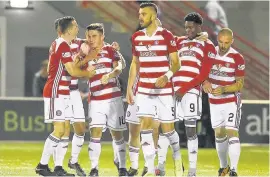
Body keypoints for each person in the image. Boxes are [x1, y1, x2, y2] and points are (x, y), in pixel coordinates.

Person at [127, 2, 183, 176]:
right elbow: (135, 63)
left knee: (168, 130)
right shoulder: (137, 37)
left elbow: (176, 63)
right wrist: (130, 88)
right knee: (145, 127)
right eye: (139, 14)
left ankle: (177, 159)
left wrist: (166, 76)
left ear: (153, 16)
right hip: (144, 90)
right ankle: (151, 169)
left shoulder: (167, 36)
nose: (140, 17)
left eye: (143, 14)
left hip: (164, 91)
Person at [35, 16, 96, 177]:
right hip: (56, 92)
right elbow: (73, 71)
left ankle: (58, 168)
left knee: (64, 130)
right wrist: (89, 73)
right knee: (60, 130)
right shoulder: (62, 45)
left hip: (62, 92)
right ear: (69, 30)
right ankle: (42, 166)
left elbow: (51, 68)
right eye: (75, 26)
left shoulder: (61, 44)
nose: (77, 28)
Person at [85, 23, 128, 177]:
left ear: (102, 37)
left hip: (113, 98)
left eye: (94, 36)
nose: (91, 39)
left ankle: (122, 168)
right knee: (95, 134)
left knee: (117, 135)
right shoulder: (85, 52)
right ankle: (94, 169)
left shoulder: (110, 50)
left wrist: (109, 75)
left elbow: (119, 67)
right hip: (95, 100)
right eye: (88, 36)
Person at [203, 28, 245, 177]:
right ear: (217, 40)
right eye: (220, 42)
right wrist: (205, 82)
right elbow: (202, 74)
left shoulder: (237, 58)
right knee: (219, 134)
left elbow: (239, 84)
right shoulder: (210, 54)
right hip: (214, 101)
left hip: (230, 101)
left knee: (232, 131)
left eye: (226, 43)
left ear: (231, 42)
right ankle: (224, 167)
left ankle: (234, 170)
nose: (223, 45)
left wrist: (224, 89)